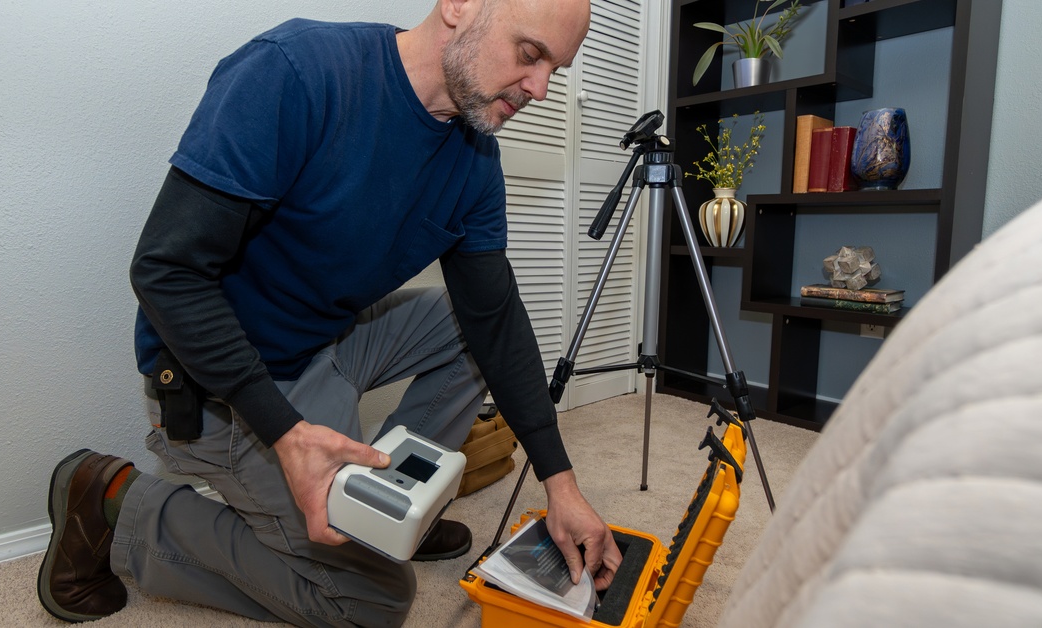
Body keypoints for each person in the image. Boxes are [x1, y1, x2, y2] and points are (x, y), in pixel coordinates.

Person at [36, 0, 622, 625]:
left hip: (326, 340)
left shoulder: (474, 161)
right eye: (531, 55)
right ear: (459, 6)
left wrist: (560, 483)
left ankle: (394, 507)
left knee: (468, 321)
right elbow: (165, 270)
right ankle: (116, 502)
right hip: (224, 385)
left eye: (555, 69)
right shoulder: (297, 73)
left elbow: (496, 321)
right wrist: (286, 434)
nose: (540, 88)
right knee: (371, 604)